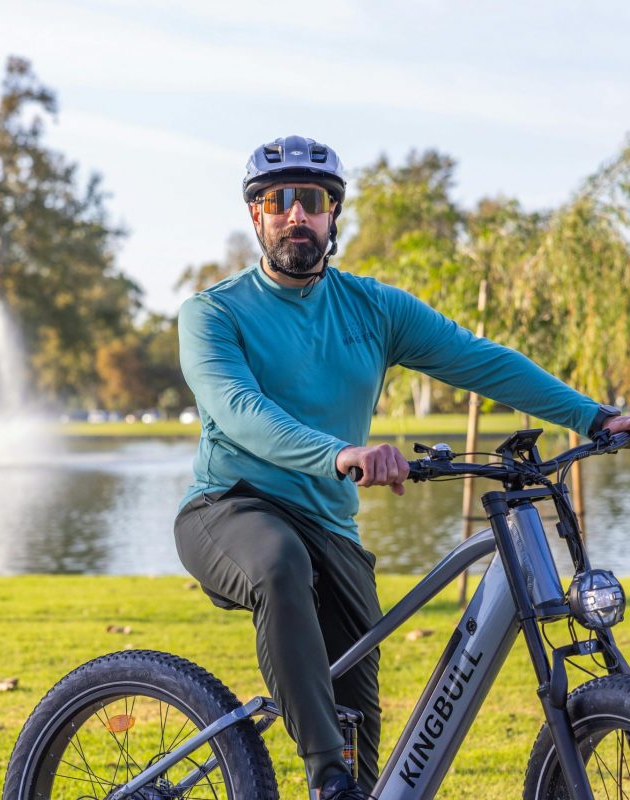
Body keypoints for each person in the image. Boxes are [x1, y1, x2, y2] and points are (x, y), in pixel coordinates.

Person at [173, 135, 630, 799]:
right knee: (278, 567)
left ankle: (345, 779)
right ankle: (325, 773)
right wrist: (339, 453)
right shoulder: (212, 312)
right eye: (279, 201)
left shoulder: (374, 308)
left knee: (361, 732)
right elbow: (239, 409)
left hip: (331, 526)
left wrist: (593, 416)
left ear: (334, 216)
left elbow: (480, 359)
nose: (296, 214)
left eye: (314, 201)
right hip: (230, 507)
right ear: (257, 217)